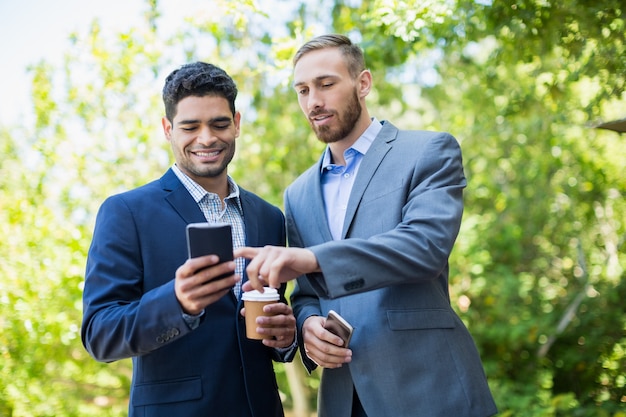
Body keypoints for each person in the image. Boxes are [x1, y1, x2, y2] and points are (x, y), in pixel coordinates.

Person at [235, 34, 498, 417]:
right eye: (303, 90)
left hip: (430, 390)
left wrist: (311, 258)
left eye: (326, 84)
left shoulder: (428, 151)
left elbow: (424, 248)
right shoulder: (298, 192)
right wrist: (308, 328)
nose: (314, 101)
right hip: (343, 398)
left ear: (363, 83)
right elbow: (308, 293)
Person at [81, 61, 297, 417]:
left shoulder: (270, 217)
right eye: (190, 126)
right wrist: (177, 302)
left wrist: (284, 337)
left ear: (237, 123)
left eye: (219, 123)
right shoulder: (126, 212)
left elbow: (264, 327)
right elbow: (100, 334)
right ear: (168, 129)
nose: (207, 138)